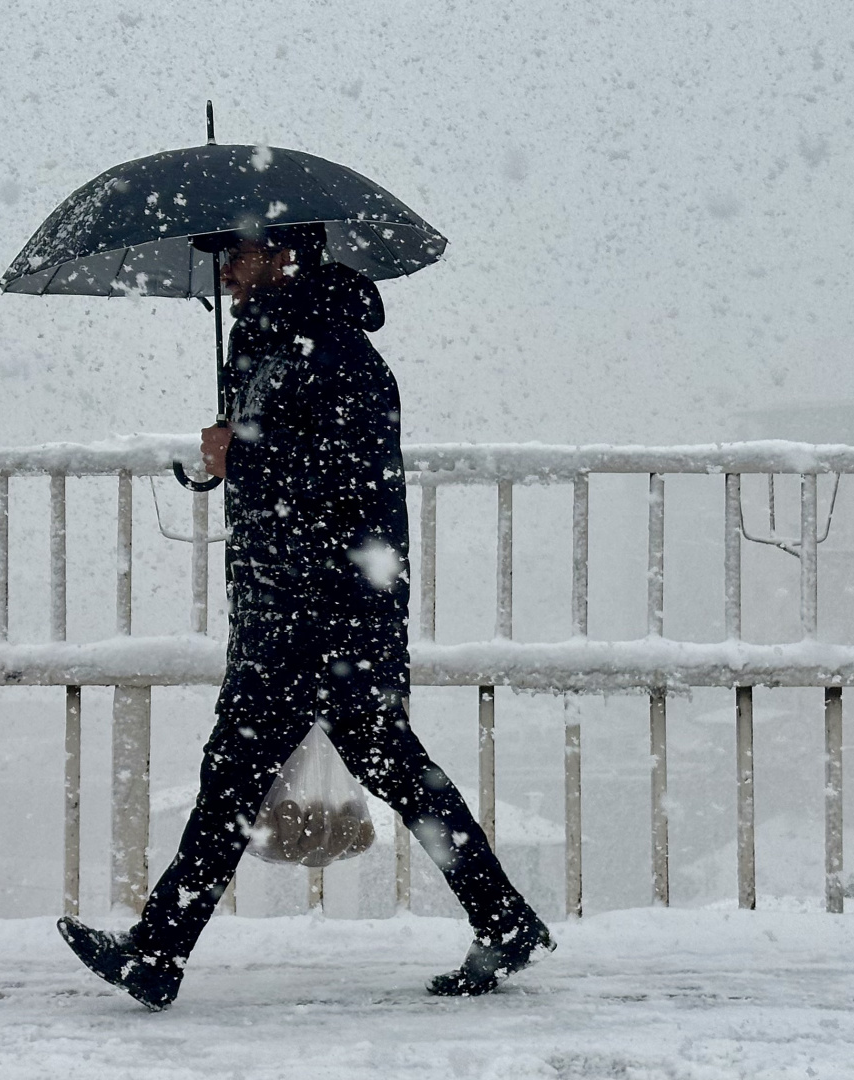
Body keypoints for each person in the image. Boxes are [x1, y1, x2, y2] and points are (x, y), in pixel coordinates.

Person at [57, 222, 552, 1010]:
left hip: (328, 614)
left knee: (242, 779)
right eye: (218, 255)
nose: (222, 269)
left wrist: (242, 456)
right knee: (378, 777)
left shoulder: (341, 353)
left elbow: (345, 473)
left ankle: (156, 954)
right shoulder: (261, 348)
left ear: (284, 253)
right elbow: (283, 463)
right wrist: (222, 463)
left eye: (235, 253)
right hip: (290, 607)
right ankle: (503, 918)